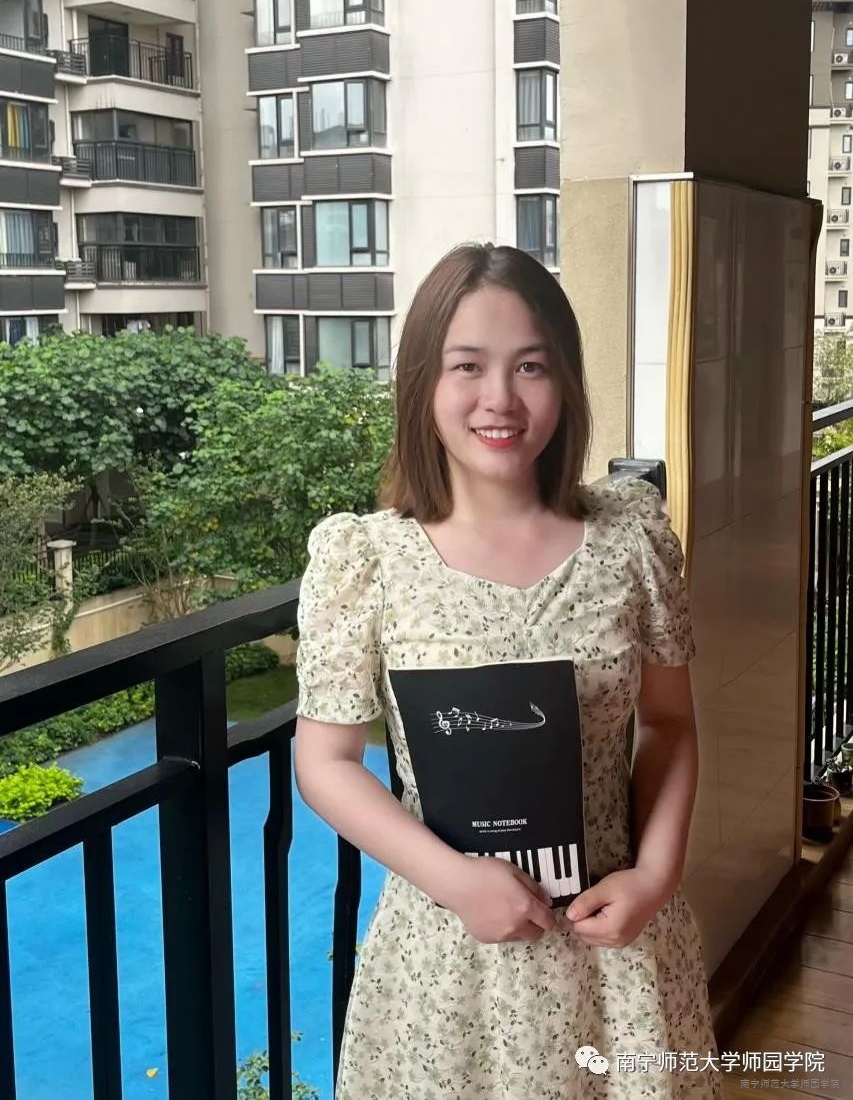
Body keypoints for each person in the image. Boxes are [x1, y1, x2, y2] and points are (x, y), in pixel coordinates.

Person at [293, 243, 720, 1098]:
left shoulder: (629, 538)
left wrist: (654, 876)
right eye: (467, 366)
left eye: (530, 366)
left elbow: (669, 724)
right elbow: (325, 761)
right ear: (423, 383)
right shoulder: (366, 560)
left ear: (564, 381)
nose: (499, 398)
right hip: (449, 953)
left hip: (616, 947)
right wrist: (454, 881)